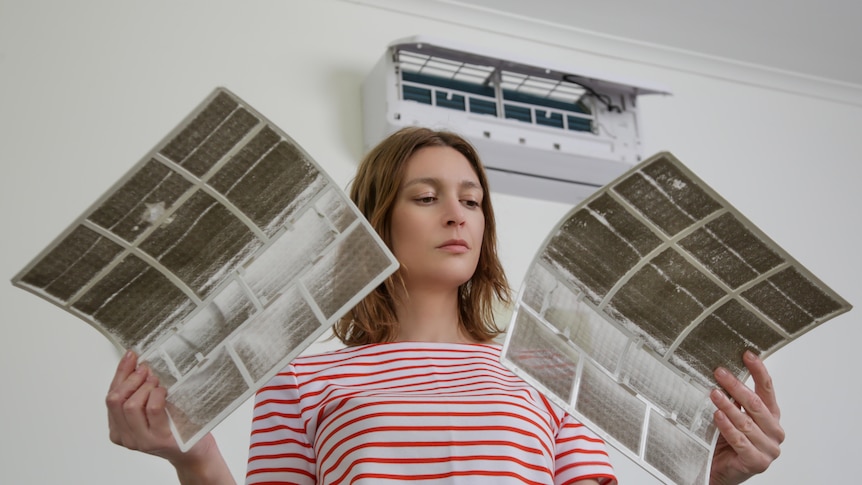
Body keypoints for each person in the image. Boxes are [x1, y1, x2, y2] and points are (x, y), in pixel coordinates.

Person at [106, 127, 784, 485]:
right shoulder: (298, 376)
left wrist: (713, 481)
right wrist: (190, 459)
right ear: (376, 220)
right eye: (426, 196)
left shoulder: (547, 359)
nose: (456, 213)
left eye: (472, 198)